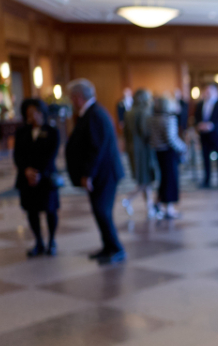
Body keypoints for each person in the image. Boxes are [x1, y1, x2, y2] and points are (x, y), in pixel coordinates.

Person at [65, 78, 126, 265]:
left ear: (78, 97)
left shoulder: (95, 114)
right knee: (99, 211)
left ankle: (116, 249)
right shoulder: (90, 112)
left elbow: (96, 149)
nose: (70, 101)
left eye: (71, 97)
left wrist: (88, 174)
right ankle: (108, 246)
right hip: (101, 174)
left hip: (104, 174)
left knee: (102, 211)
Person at [13, 98, 60, 257]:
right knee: (32, 211)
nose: (33, 116)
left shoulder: (52, 131)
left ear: (42, 113)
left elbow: (50, 156)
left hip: (46, 177)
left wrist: (38, 173)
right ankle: (38, 241)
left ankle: (51, 241)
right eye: (30, 113)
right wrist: (26, 170)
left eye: (36, 112)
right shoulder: (21, 132)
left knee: (50, 210)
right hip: (26, 179)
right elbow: (17, 155)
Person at [148, 96, 187, 220]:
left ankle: (158, 203)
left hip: (158, 151)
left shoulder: (152, 118)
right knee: (171, 180)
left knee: (164, 179)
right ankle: (169, 209)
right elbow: (171, 139)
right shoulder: (169, 118)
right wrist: (183, 148)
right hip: (169, 153)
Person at [122, 88, 158, 217]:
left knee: (144, 179)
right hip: (143, 150)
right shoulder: (144, 111)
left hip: (132, 148)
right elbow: (145, 132)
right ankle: (128, 199)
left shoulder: (129, 112)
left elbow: (125, 132)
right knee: (145, 179)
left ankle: (150, 208)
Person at [193, 83, 218, 188]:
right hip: (204, 136)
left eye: (209, 91)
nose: (207, 93)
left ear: (214, 92)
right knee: (205, 158)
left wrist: (211, 125)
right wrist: (199, 125)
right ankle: (207, 180)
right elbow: (196, 118)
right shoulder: (199, 105)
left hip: (216, 135)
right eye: (206, 91)